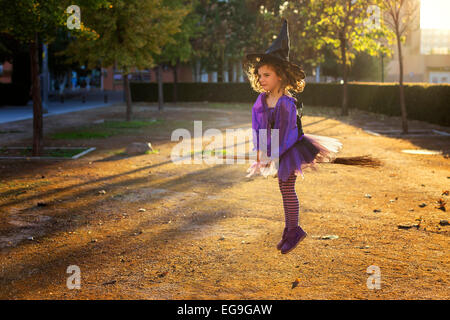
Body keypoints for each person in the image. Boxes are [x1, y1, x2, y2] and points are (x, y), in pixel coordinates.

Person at [243, 19, 343, 254]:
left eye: (266, 74)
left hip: (291, 148)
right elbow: (258, 126)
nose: (261, 79)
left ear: (280, 76)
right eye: (259, 75)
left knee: (287, 188)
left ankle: (294, 230)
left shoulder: (286, 103)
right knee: (283, 187)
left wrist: (273, 154)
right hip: (276, 148)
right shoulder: (262, 100)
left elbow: (287, 134)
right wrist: (261, 151)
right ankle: (290, 230)